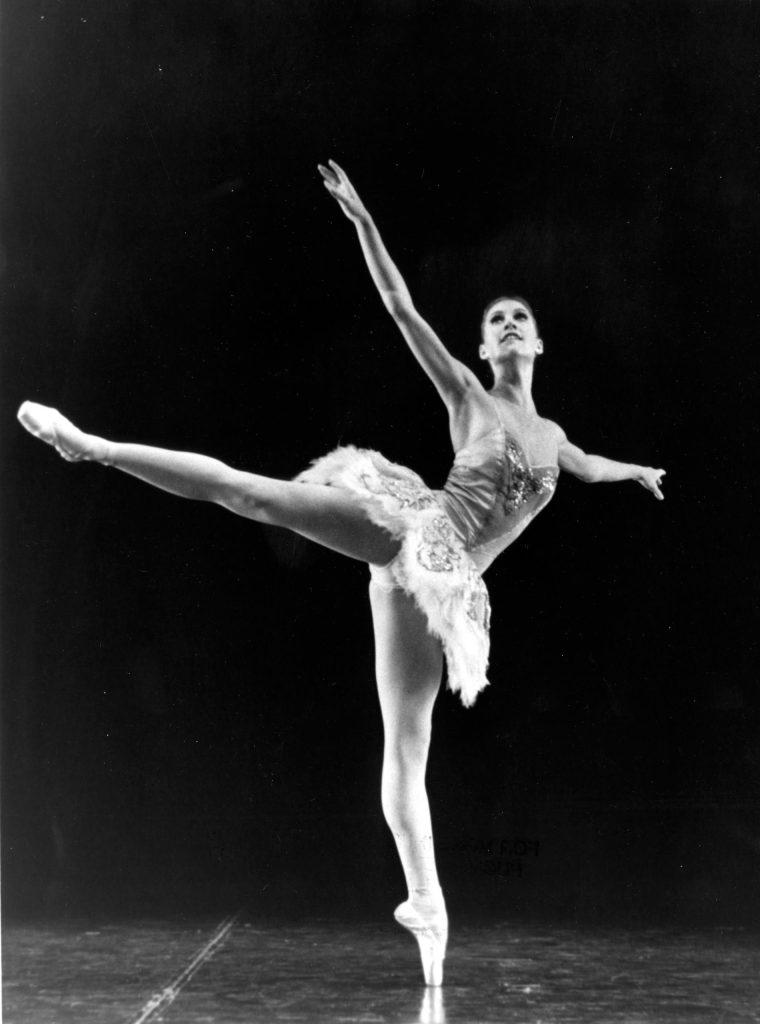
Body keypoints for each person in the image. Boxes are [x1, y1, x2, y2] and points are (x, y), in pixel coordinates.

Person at [17, 160, 665, 986]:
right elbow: (399, 305)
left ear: (538, 343)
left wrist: (636, 469)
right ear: (482, 346)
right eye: (495, 318)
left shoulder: (553, 436)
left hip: (447, 587)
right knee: (260, 499)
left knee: (407, 751)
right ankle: (94, 446)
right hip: (414, 527)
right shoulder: (469, 395)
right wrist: (363, 221)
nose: (507, 324)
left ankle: (427, 904)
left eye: (520, 320)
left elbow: (588, 464)